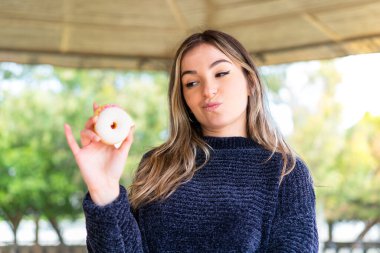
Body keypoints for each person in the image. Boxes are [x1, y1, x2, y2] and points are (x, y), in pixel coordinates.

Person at [64, 30, 318, 252]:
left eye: (221, 73)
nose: (208, 90)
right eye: (192, 82)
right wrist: (105, 190)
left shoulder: (286, 172)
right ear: (183, 97)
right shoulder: (156, 166)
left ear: (250, 82)